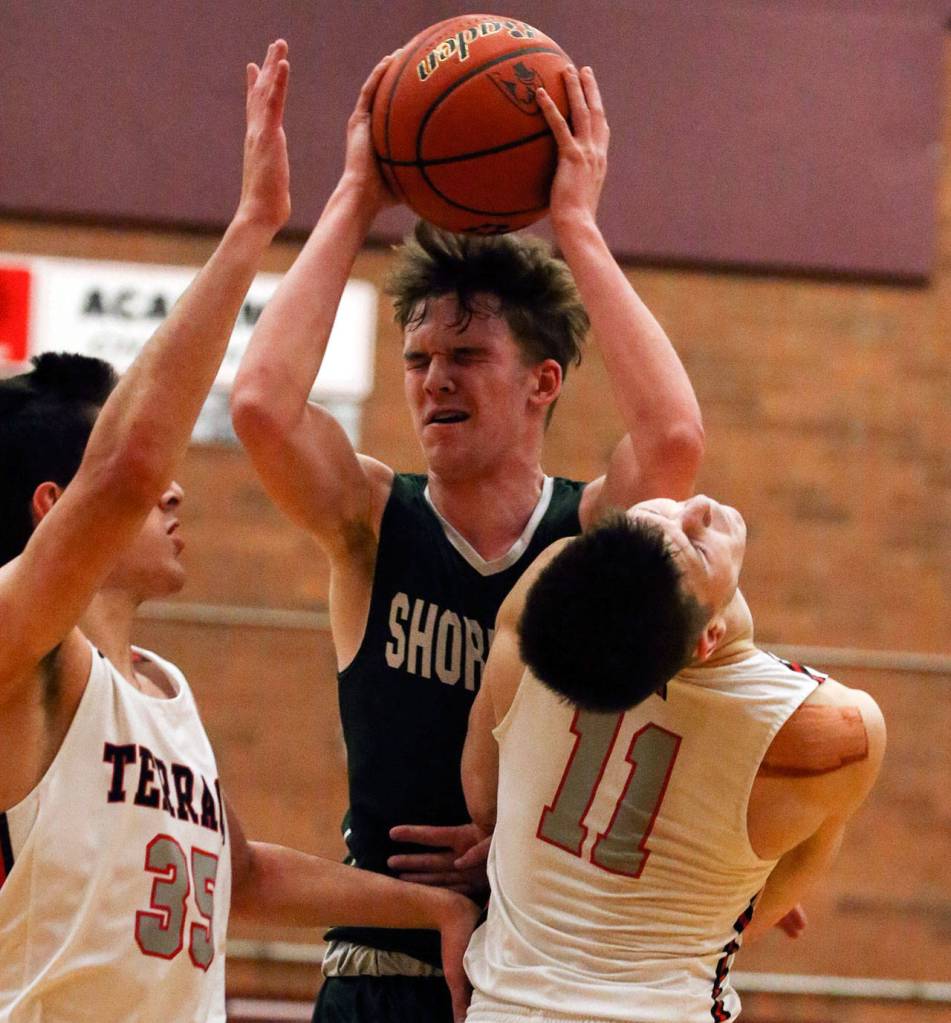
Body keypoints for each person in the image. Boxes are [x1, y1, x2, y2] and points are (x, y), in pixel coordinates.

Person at [0, 42, 478, 1023]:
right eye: (138, 493)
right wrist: (257, 223)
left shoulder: (165, 693)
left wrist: (430, 906)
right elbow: (129, 465)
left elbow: (243, 872)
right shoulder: (20, 653)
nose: (171, 495)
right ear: (58, 510)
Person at [231, 51, 704, 1022]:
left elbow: (674, 441)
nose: (432, 380)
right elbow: (262, 409)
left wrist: (577, 226)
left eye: (467, 355)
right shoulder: (372, 521)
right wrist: (357, 196)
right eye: (416, 358)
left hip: (537, 980)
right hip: (382, 978)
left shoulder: (584, 531)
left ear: (542, 382)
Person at [461, 496, 886, 1023]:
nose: (699, 507)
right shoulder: (832, 727)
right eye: (695, 546)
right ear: (707, 639)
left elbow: (482, 797)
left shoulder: (543, 600)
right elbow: (753, 913)